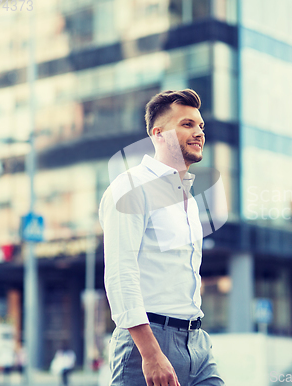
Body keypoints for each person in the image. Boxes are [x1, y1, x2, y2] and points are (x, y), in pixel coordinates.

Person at [99, 89, 224, 386]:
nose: (198, 132)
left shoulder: (190, 201)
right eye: (186, 124)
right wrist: (151, 353)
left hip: (197, 344)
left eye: (200, 126)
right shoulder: (130, 187)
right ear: (158, 134)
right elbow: (120, 273)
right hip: (148, 344)